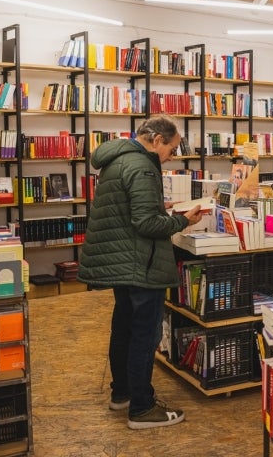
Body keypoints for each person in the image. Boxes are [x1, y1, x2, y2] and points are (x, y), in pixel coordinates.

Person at [78, 116, 204, 430]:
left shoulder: (119, 159)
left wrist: (162, 208)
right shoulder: (143, 166)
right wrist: (183, 221)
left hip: (121, 261)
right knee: (143, 336)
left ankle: (121, 394)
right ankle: (142, 408)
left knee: (123, 328)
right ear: (157, 140)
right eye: (172, 149)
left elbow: (131, 210)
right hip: (140, 263)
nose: (172, 156)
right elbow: (147, 224)